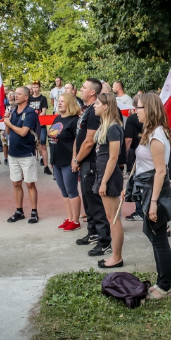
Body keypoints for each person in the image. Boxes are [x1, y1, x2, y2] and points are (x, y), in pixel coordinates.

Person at [132, 93, 171, 299]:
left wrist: (154, 203)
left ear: (148, 109)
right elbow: (142, 164)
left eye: (138, 107)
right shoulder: (150, 132)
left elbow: (160, 171)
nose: (135, 111)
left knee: (159, 240)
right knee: (154, 236)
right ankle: (160, 282)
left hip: (154, 191)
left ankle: (165, 286)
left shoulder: (157, 136)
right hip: (147, 188)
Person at [72, 78, 111, 255]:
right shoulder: (88, 110)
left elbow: (89, 141)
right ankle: (93, 232)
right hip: (85, 162)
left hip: (92, 163)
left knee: (95, 203)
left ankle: (104, 241)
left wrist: (77, 160)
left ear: (93, 92)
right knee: (88, 200)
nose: (81, 89)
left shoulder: (96, 111)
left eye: (83, 87)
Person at [91, 93, 125, 268]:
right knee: (111, 217)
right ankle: (115, 255)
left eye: (97, 103)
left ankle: (116, 257)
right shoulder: (105, 126)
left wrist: (104, 182)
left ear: (106, 106)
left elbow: (113, 158)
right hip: (103, 173)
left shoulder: (113, 128)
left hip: (109, 176)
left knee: (113, 218)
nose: (94, 105)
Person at [4, 86, 40, 223]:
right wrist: (6, 122)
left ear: (26, 97)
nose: (15, 95)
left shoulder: (30, 112)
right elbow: (8, 132)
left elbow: (24, 132)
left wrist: (9, 124)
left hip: (26, 153)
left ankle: (34, 212)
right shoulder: (12, 111)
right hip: (13, 153)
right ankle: (19, 211)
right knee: (16, 183)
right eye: (14, 94)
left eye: (18, 94)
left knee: (30, 183)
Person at [50, 93, 81, 231]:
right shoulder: (57, 118)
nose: (59, 103)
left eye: (63, 101)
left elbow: (77, 141)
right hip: (57, 160)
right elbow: (52, 138)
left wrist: (75, 160)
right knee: (63, 191)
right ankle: (69, 218)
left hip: (68, 161)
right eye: (58, 101)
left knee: (71, 190)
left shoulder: (75, 121)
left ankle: (76, 220)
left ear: (70, 103)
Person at [124, 95, 144, 221]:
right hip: (146, 152)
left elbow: (128, 139)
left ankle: (139, 210)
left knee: (136, 181)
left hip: (136, 152)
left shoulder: (132, 119)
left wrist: (125, 155)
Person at [29, 81, 50, 175]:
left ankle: (46, 166)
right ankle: (32, 167)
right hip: (31, 126)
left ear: (39, 88)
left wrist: (36, 117)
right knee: (31, 146)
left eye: (37, 87)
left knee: (43, 145)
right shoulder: (29, 99)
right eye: (33, 87)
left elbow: (44, 112)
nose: (35, 89)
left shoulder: (43, 98)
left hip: (41, 125)